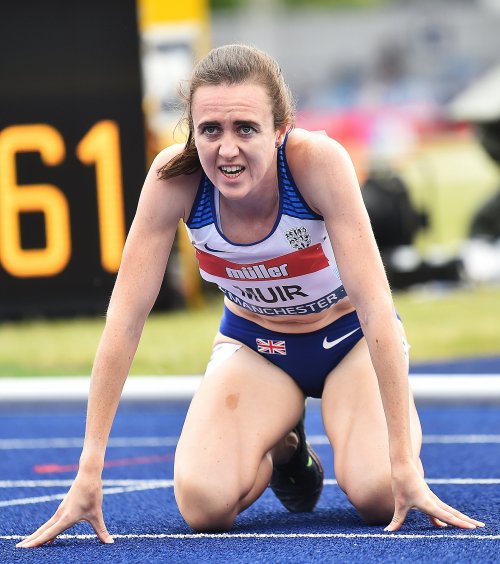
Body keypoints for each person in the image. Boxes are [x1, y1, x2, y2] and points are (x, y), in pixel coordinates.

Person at [17, 44, 484, 548]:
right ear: (192, 133)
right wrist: (89, 470)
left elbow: (376, 307)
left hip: (349, 341)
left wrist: (405, 463)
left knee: (379, 494)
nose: (227, 150)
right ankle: (286, 449)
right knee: (203, 506)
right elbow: (125, 320)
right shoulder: (175, 178)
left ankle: (347, 451)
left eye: (245, 129)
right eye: (210, 130)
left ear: (280, 130)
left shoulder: (317, 162)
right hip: (258, 345)